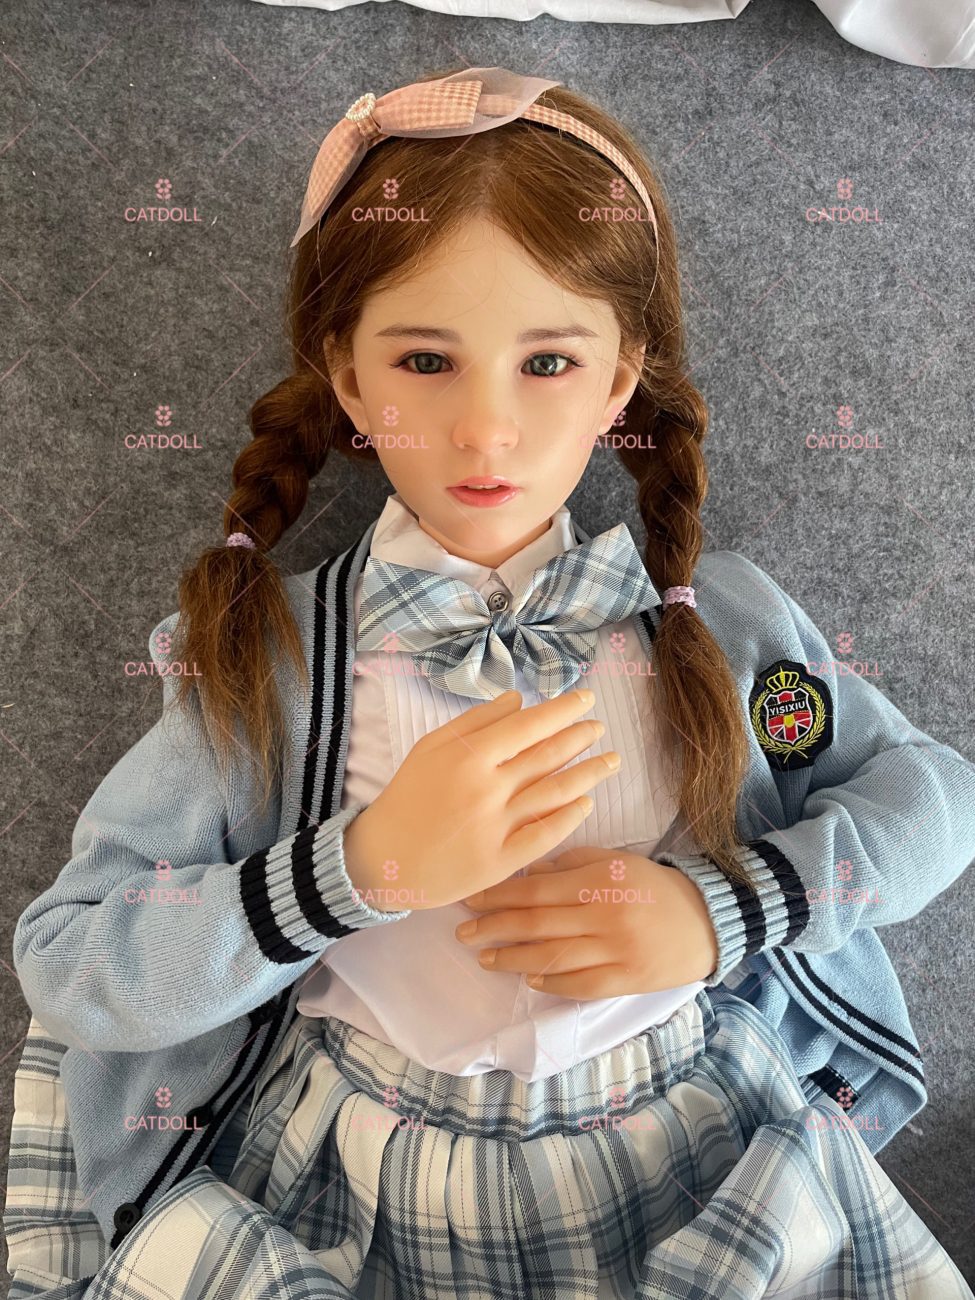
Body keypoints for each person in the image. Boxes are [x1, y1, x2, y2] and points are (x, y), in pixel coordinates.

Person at [5, 63, 975, 1300]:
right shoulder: (267, 664)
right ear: (347, 378)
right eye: (425, 360)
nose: (485, 429)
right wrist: (352, 871)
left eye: (549, 363)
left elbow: (932, 794)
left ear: (620, 378)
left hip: (702, 1162)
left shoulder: (721, 626)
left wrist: (724, 910)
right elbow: (73, 955)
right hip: (359, 1195)